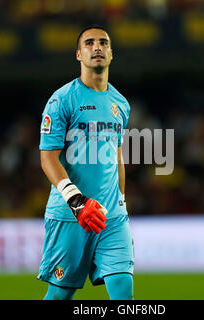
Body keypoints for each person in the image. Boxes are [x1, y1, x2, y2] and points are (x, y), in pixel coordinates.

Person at [37, 25, 134, 300]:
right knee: (60, 295)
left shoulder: (120, 104)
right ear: (79, 54)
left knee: (123, 289)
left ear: (112, 53)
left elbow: (117, 157)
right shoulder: (61, 100)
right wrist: (76, 202)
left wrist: (121, 202)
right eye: (89, 43)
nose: (97, 47)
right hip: (70, 215)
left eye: (103, 43)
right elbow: (47, 158)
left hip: (110, 217)